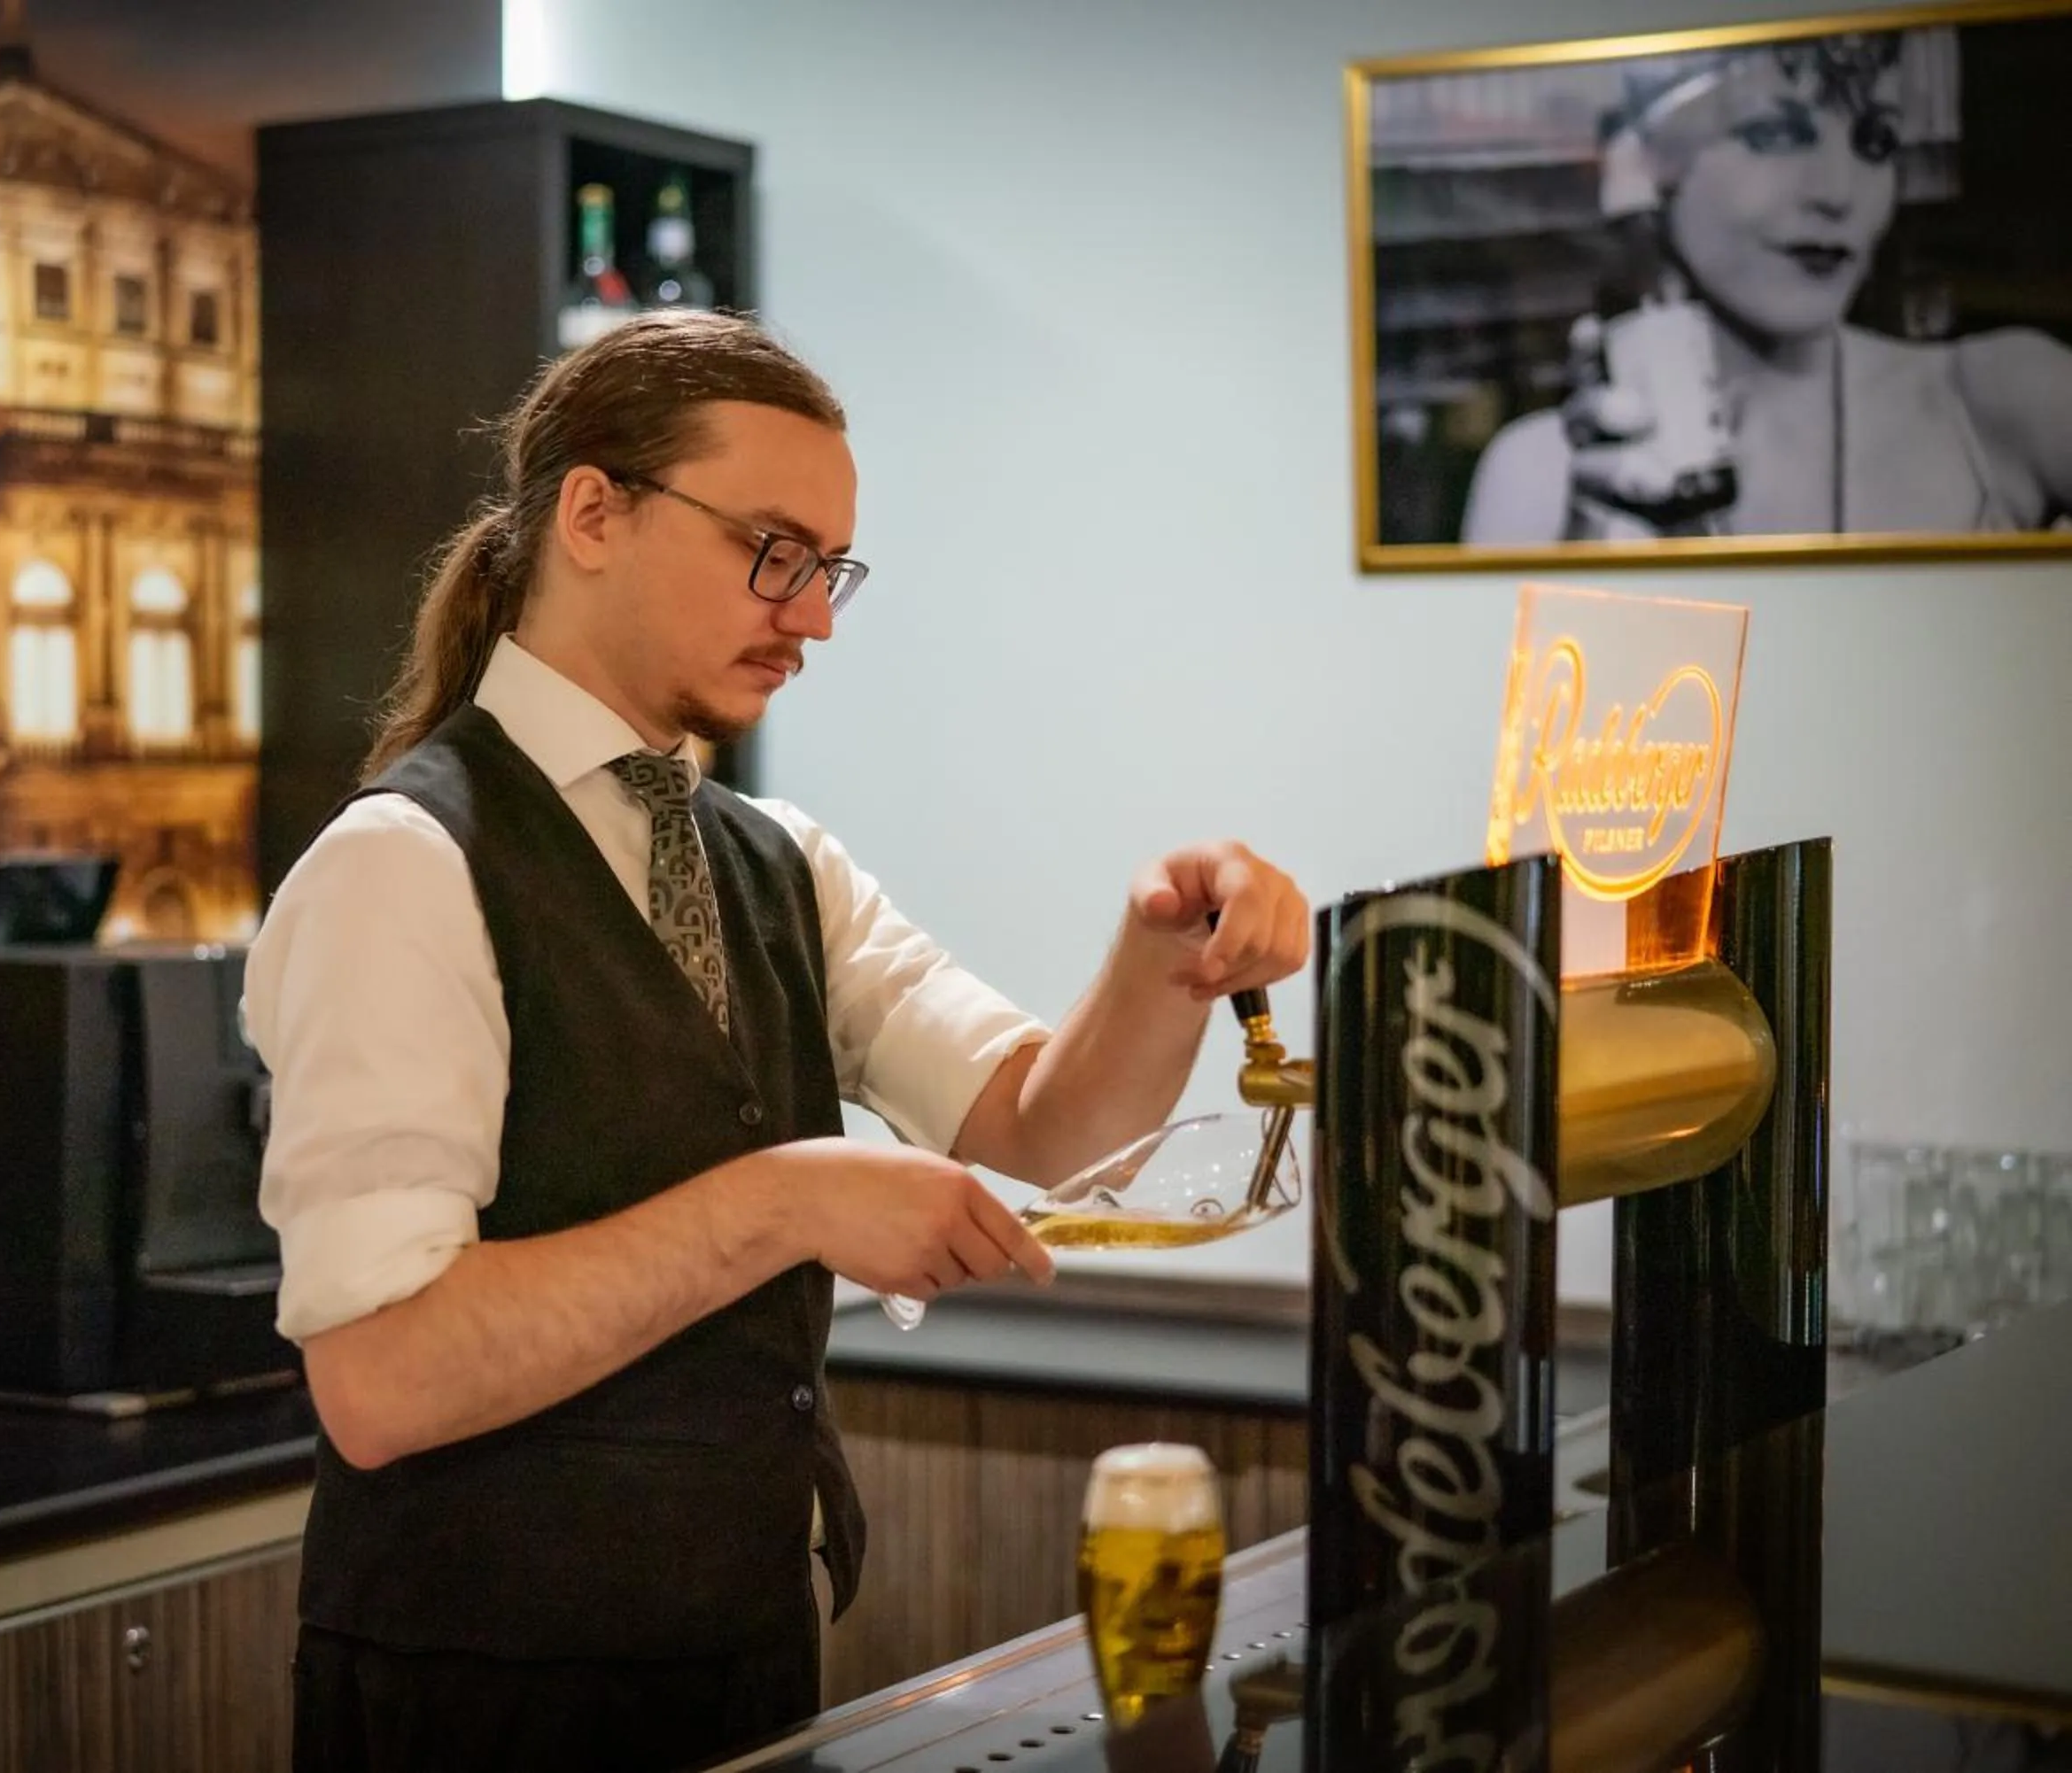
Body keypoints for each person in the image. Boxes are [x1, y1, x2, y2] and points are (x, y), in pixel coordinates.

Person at [244, 309, 1310, 1773]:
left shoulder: (778, 860)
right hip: (482, 1700)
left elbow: (1043, 1133)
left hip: (743, 1661)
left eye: (830, 571)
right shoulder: (404, 864)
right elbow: (384, 1376)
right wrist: (794, 1200)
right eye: (774, 551)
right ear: (595, 511)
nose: (810, 617)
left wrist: (1164, 956)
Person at [1462, 31, 2072, 543]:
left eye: (1875, 141)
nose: (1837, 191)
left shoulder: (2003, 402)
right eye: (1775, 134)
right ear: (1644, 161)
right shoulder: (1540, 477)